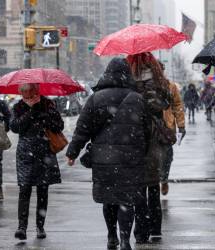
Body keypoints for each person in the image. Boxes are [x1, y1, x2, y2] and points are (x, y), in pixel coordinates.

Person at [66, 58, 149, 250]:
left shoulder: (96, 98)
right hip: (131, 159)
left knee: (109, 199)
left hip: (104, 158)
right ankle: (125, 239)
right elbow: (147, 130)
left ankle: (112, 236)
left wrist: (73, 152)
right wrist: (140, 152)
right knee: (126, 199)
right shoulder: (137, 98)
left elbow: (82, 129)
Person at [126, 52, 171, 243]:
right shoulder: (159, 77)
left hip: (135, 136)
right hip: (154, 137)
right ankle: (155, 228)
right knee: (152, 185)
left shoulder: (129, 79)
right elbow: (165, 102)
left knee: (139, 188)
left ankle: (141, 231)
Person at [10, 83, 64, 240]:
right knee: (24, 189)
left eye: (31, 90)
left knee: (43, 190)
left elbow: (58, 125)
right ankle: (22, 227)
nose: (28, 93)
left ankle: (40, 227)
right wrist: (31, 112)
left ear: (37, 90)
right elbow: (14, 127)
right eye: (25, 91)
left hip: (44, 152)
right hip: (25, 153)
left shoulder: (47, 104)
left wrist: (45, 117)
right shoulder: (18, 106)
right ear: (21, 92)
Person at [160, 61, 186, 195]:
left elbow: (177, 105)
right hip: (149, 127)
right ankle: (153, 182)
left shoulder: (170, 86)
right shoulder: (144, 85)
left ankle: (164, 179)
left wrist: (181, 125)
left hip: (166, 127)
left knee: (167, 156)